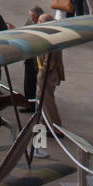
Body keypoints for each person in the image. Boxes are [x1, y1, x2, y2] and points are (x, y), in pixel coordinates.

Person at [35, 15, 65, 143]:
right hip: (44, 72)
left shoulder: (52, 38)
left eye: (39, 21)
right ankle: (45, 124)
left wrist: (42, 72)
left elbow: (50, 60)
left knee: (47, 101)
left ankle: (56, 127)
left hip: (48, 75)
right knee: (41, 99)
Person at [23, 5, 45, 103]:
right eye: (31, 17)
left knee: (39, 84)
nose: (32, 19)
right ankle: (28, 103)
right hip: (30, 57)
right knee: (28, 82)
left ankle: (38, 105)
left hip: (40, 59)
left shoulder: (44, 23)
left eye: (34, 18)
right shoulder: (30, 21)